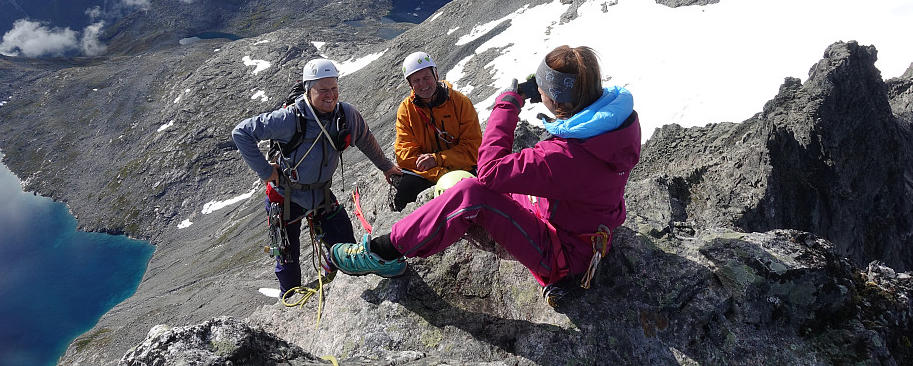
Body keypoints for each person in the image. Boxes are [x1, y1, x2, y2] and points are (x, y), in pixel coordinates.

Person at [328, 45, 641, 307]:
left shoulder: (565, 156)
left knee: (471, 193)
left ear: (559, 102)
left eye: (542, 88)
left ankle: (382, 252)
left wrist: (508, 103)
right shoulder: (616, 124)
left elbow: (490, 170)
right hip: (579, 228)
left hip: (563, 255)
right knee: (472, 187)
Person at [232, 58, 402, 296]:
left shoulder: (345, 114)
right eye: (322, 90)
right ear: (308, 89)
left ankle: (334, 279)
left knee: (345, 243)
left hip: (320, 194)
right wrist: (266, 172)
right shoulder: (290, 118)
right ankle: (289, 301)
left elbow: (364, 138)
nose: (330, 95)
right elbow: (241, 132)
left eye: (334, 88)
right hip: (285, 197)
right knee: (288, 260)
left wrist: (386, 167)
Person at [391, 51, 482, 211]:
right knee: (405, 191)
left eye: (426, 77)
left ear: (436, 74)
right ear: (410, 85)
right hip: (428, 172)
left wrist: (438, 159)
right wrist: (441, 173)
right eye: (416, 80)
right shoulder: (406, 110)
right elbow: (405, 155)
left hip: (460, 167)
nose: (423, 84)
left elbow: (473, 149)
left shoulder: (460, 103)